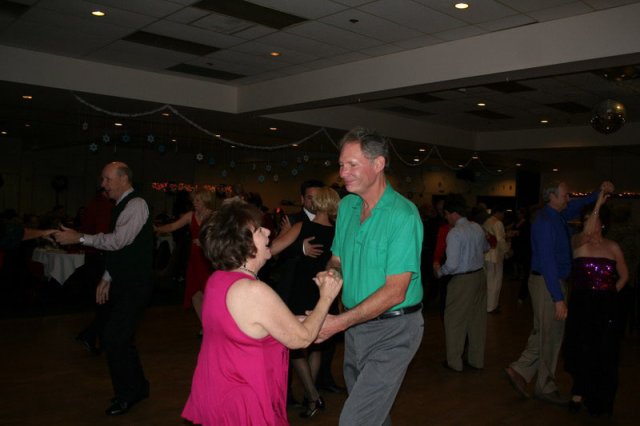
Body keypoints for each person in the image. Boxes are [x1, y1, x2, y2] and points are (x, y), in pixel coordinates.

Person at [181, 199, 342, 426]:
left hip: (218, 392)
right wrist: (326, 296)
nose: (267, 231)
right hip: (243, 400)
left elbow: (253, 325)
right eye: (258, 230)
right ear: (242, 242)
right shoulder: (252, 290)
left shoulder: (218, 279)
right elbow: (302, 339)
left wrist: (300, 320)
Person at [317, 127, 424, 426]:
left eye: (352, 164)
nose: (343, 173)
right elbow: (337, 258)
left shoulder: (402, 215)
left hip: (394, 329)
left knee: (356, 419)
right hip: (356, 326)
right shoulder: (347, 206)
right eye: (341, 164)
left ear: (378, 164)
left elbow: (395, 291)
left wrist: (338, 323)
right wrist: (331, 274)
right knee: (373, 414)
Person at [54, 161, 154, 416]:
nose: (103, 185)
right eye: (103, 180)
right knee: (121, 338)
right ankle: (138, 387)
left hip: (135, 284)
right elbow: (121, 249)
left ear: (124, 179)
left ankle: (127, 394)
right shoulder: (121, 206)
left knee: (114, 337)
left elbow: (119, 241)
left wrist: (79, 237)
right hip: (125, 282)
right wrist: (108, 277)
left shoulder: (136, 204)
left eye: (107, 179)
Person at [505, 180, 614, 406]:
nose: (569, 199)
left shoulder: (557, 215)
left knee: (545, 331)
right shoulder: (545, 222)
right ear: (552, 197)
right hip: (548, 282)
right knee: (551, 335)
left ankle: (519, 370)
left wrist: (599, 194)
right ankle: (545, 386)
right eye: (565, 195)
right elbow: (548, 263)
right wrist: (558, 298)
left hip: (550, 281)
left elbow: (579, 204)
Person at [269, 187, 341, 418]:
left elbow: (273, 249)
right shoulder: (339, 232)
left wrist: (284, 235)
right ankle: (312, 397)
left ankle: (312, 395)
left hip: (300, 290)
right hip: (323, 291)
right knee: (316, 343)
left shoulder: (303, 227)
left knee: (296, 346)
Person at [564, 191, 628, 416]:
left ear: (602, 224)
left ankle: (600, 399)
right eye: (585, 220)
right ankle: (578, 391)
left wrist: (610, 293)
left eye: (593, 219)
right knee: (582, 350)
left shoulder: (613, 247)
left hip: (606, 307)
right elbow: (585, 231)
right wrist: (599, 201)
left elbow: (624, 276)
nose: (589, 224)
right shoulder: (578, 243)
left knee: (605, 352)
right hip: (582, 305)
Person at [435, 194, 489, 371]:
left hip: (462, 280)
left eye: (446, 214)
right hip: (479, 277)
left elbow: (451, 265)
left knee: (454, 321)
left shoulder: (455, 233)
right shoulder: (477, 227)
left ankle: (454, 363)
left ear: (453, 213)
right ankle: (476, 360)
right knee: (477, 322)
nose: (446, 218)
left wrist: (439, 272)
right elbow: (486, 247)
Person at [154, 188, 214, 322]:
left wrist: (204, 241)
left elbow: (220, 236)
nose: (194, 203)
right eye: (194, 200)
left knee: (208, 293)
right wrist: (158, 229)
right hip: (194, 258)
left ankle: (212, 324)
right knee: (195, 293)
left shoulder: (213, 216)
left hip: (207, 258)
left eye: (197, 200)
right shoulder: (190, 215)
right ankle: (205, 325)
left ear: (205, 201)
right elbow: (172, 226)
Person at [483, 207, 509, 313]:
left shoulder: (487, 221)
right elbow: (500, 240)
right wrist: (507, 250)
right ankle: (491, 306)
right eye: (502, 213)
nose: (503, 216)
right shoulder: (498, 223)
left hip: (486, 255)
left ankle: (488, 305)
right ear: (498, 212)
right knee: (495, 282)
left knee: (488, 281)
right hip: (495, 256)